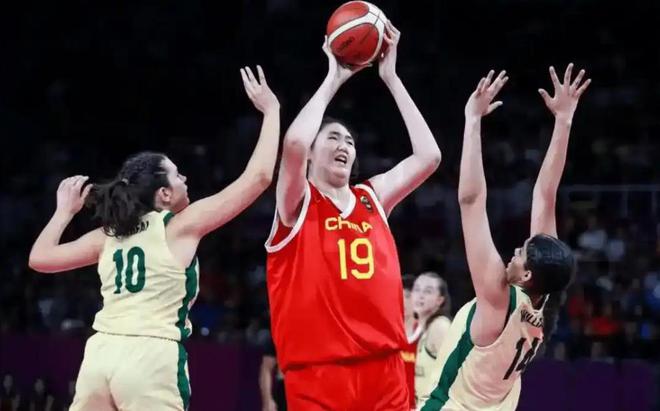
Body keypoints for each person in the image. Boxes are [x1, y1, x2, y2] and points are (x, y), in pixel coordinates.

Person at [28, 65, 280, 411]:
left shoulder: (108, 234)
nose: (185, 178)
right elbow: (260, 177)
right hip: (151, 356)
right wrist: (272, 111)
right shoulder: (179, 226)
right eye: (177, 175)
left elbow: (39, 259)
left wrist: (63, 213)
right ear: (164, 194)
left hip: (100, 356)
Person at [265, 20, 442, 410]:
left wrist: (392, 78)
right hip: (319, 373)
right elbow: (293, 142)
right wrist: (334, 78)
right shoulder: (297, 202)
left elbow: (429, 156)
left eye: (349, 140)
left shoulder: (372, 197)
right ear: (312, 154)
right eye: (333, 137)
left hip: (384, 367)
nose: (344, 144)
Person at [418, 64, 590, 410]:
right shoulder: (544, 303)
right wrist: (563, 121)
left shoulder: (500, 299)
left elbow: (471, 202)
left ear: (526, 275)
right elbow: (545, 196)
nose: (515, 250)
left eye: (521, 253)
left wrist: (472, 121)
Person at [411, 272, 451, 405]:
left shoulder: (440, 326)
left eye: (428, 291)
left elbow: (455, 374)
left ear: (440, 300)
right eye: (417, 289)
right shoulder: (417, 329)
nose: (420, 295)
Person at [401, 274, 423, 410]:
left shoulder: (427, 333)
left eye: (408, 296)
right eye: (399, 295)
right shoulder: (385, 335)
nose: (403, 301)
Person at [259, 331, 287, 411]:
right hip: (285, 390)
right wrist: (267, 400)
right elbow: (266, 368)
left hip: (312, 388)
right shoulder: (281, 331)